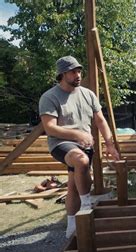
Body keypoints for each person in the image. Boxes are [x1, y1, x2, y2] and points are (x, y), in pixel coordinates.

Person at [39, 55, 120, 238]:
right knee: (81, 161)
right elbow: (50, 127)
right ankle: (86, 204)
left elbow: (100, 120)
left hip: (84, 144)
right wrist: (78, 134)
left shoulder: (88, 94)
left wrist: (109, 145)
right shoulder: (49, 97)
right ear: (62, 74)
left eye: (79, 71)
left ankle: (71, 226)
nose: (78, 74)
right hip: (61, 143)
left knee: (73, 186)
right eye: (73, 71)